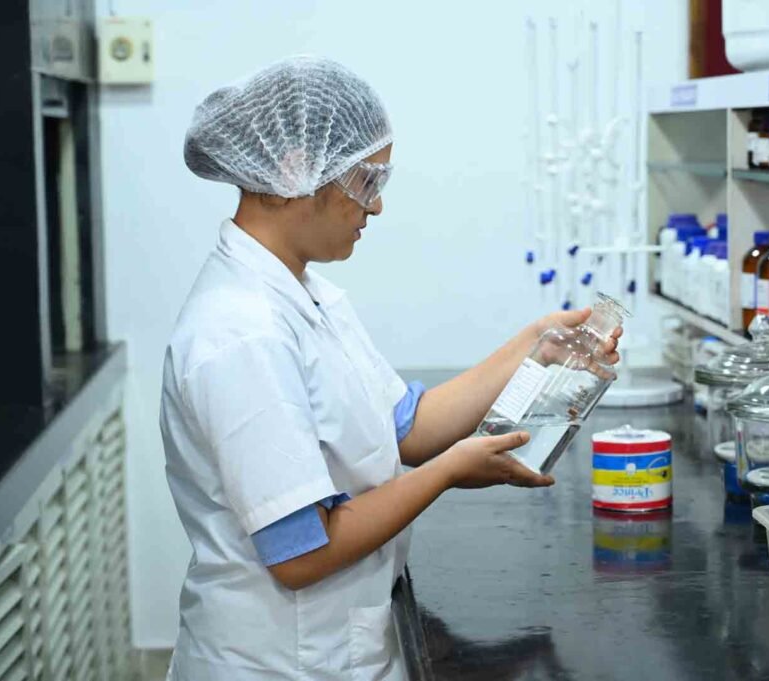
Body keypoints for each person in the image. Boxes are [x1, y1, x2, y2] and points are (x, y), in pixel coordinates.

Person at [160, 55, 621, 680]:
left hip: (339, 642)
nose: (375, 207)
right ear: (292, 173)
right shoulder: (240, 334)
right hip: (279, 660)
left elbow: (408, 426)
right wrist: (447, 473)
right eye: (365, 182)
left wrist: (534, 346)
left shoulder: (305, 294)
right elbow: (300, 554)